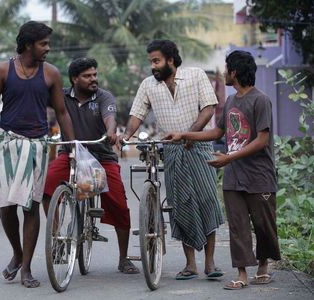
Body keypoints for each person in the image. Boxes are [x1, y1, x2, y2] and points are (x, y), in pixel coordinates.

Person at [165, 50, 281, 290]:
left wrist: (229, 157)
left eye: (227, 69)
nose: (225, 73)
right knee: (238, 226)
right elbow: (217, 133)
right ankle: (241, 274)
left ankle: (262, 265)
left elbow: (261, 140)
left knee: (263, 225)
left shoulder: (261, 100)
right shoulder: (230, 101)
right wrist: (184, 134)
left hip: (260, 176)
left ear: (235, 72)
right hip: (234, 177)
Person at [0, 21, 75, 288]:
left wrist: (73, 145)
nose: (48, 48)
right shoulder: (3, 70)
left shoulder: (51, 74)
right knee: (7, 207)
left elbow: (62, 112)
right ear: (29, 44)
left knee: (30, 206)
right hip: (9, 144)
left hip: (37, 146)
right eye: (43, 43)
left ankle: (27, 269)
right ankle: (18, 254)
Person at [122, 40, 224, 279]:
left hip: (199, 146)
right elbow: (137, 114)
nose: (153, 66)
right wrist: (125, 136)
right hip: (172, 151)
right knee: (181, 204)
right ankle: (191, 265)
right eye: (150, 62)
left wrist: (191, 133)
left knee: (207, 199)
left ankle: (210, 263)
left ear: (170, 59)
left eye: (156, 61)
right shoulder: (148, 85)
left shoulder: (195, 75)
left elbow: (209, 108)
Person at [43, 57, 140, 274]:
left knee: (119, 204)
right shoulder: (62, 96)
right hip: (70, 154)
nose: (93, 79)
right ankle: (57, 235)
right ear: (74, 79)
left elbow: (110, 117)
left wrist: (110, 132)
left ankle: (123, 258)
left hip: (102, 157)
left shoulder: (104, 96)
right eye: (87, 76)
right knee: (46, 187)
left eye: (95, 74)